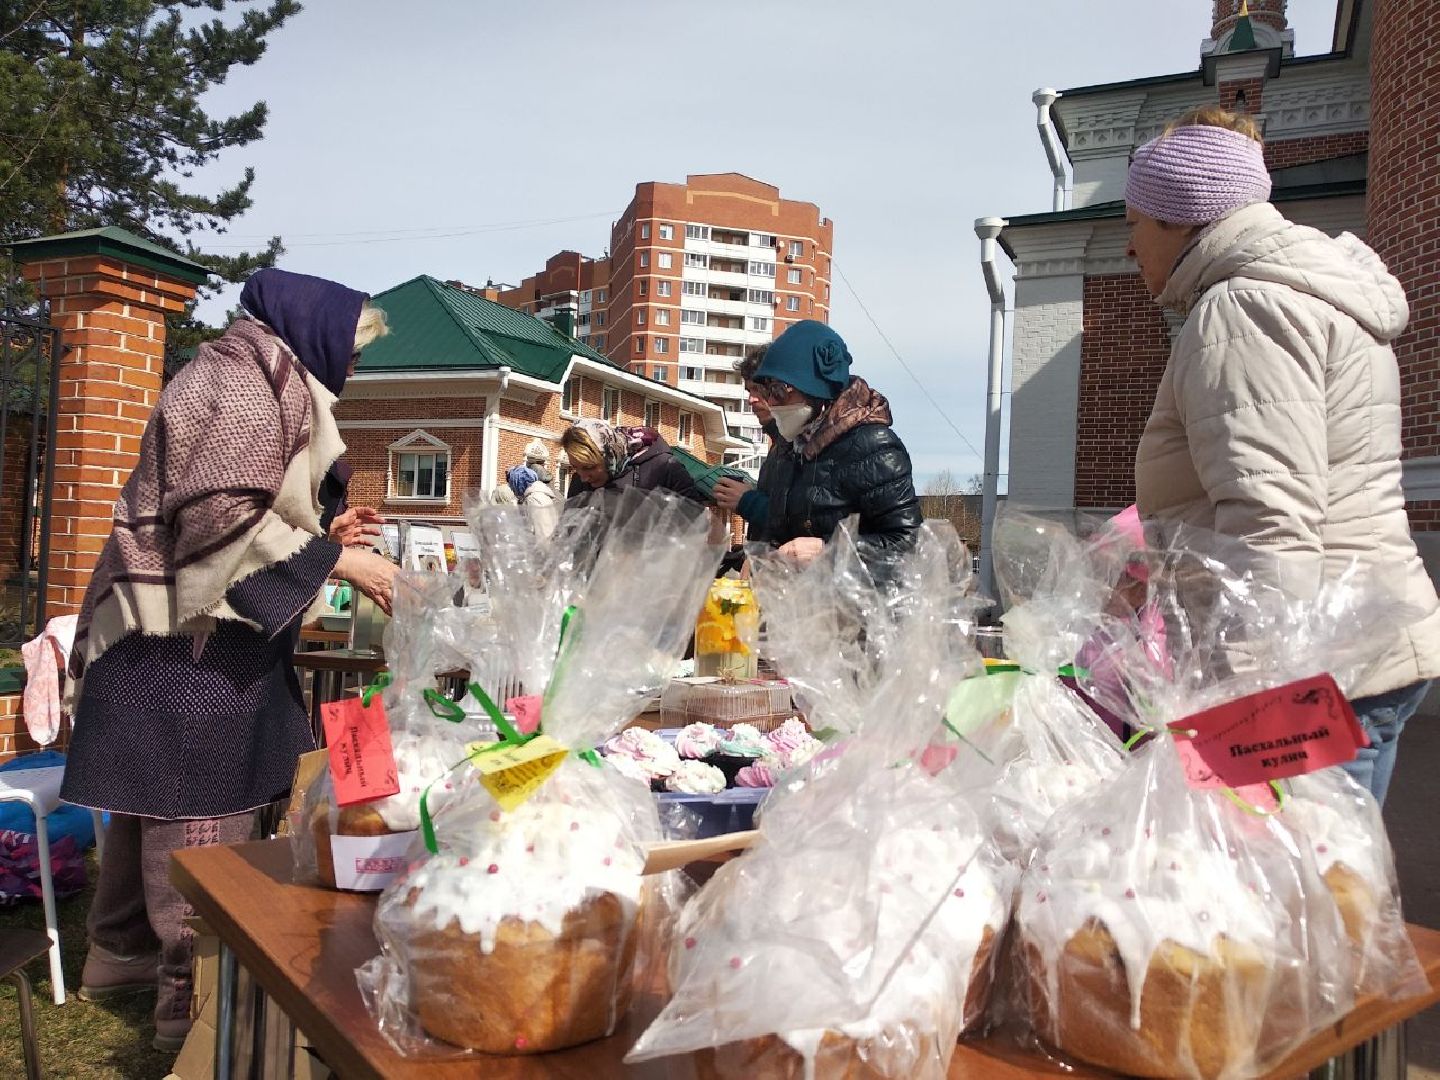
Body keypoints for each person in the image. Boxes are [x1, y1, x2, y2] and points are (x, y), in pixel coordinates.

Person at [59, 268, 400, 1051]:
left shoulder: (250, 373)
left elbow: (236, 506)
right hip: (186, 653)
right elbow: (219, 521)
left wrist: (324, 538)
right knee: (197, 818)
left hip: (166, 641)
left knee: (150, 802)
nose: (351, 366)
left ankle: (120, 955)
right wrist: (344, 563)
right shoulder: (245, 384)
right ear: (312, 332)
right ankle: (189, 1005)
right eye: (351, 349)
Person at [1125, 106, 1440, 805]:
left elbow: (1271, 518)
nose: (1129, 245)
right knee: (1337, 867)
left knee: (1305, 871)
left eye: (1134, 222)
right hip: (1355, 644)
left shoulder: (1244, 310)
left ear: (1179, 220)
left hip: (1312, 672)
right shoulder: (1307, 295)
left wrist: (1251, 709)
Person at [732, 320, 921, 567]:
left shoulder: (874, 446)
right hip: (798, 590)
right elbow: (781, 527)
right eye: (768, 392)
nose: (772, 403)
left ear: (816, 391)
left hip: (853, 592)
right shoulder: (791, 445)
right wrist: (761, 557)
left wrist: (828, 550)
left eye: (779, 391)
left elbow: (908, 545)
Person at [713, 345, 780, 535]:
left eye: (757, 389)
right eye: (749, 391)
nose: (751, 399)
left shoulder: (801, 443)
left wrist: (748, 500)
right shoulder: (779, 443)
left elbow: (803, 519)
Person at [562, 417, 703, 504]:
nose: (583, 477)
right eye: (575, 467)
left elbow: (695, 522)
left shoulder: (665, 468)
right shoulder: (579, 482)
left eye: (589, 467)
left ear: (609, 455)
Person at [506, 439, 560, 537]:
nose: (512, 490)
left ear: (518, 483)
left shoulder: (535, 498)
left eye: (512, 485)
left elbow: (543, 532)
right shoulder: (532, 495)